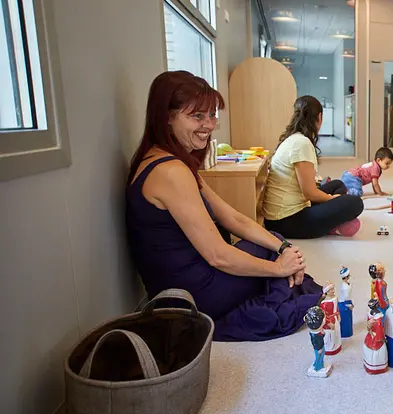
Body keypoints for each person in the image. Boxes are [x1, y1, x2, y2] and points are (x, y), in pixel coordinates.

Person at [126, 71, 321, 342]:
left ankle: (283, 272)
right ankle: (283, 280)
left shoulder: (169, 160)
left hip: (188, 281)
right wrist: (280, 268)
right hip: (190, 296)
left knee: (273, 241)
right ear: (167, 117)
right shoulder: (171, 171)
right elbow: (218, 256)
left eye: (211, 115)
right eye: (197, 116)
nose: (209, 125)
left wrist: (285, 249)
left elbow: (232, 218)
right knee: (271, 257)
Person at [263, 96, 364, 239]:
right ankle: (331, 224)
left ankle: (330, 220)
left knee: (338, 184)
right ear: (319, 117)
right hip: (286, 221)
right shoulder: (302, 143)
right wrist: (331, 199)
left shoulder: (293, 138)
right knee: (355, 203)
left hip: (285, 213)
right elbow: (309, 193)